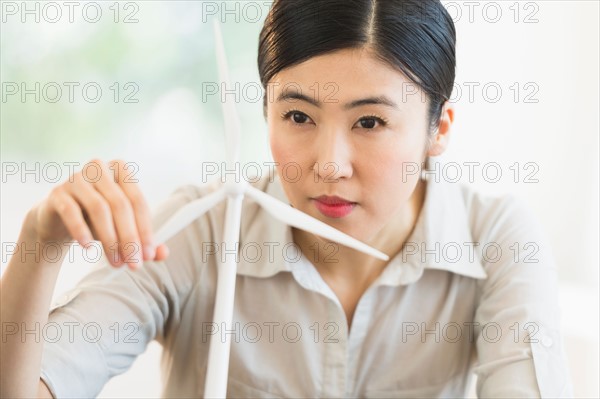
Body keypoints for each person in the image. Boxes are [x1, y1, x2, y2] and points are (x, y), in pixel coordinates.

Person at [0, 0, 573, 397]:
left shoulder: (495, 239)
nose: (328, 163)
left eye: (370, 122)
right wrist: (39, 245)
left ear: (438, 128)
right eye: (298, 116)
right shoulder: (197, 231)